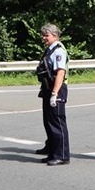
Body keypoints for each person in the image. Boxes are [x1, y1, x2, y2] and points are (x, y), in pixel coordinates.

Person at [35, 23, 70, 165]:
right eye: (43, 35)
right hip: (48, 88)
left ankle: (62, 155)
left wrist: (55, 93)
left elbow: (60, 73)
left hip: (57, 89)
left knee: (57, 123)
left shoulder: (58, 51)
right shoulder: (50, 50)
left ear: (55, 35)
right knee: (49, 122)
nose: (44, 38)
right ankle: (52, 152)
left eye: (46, 35)